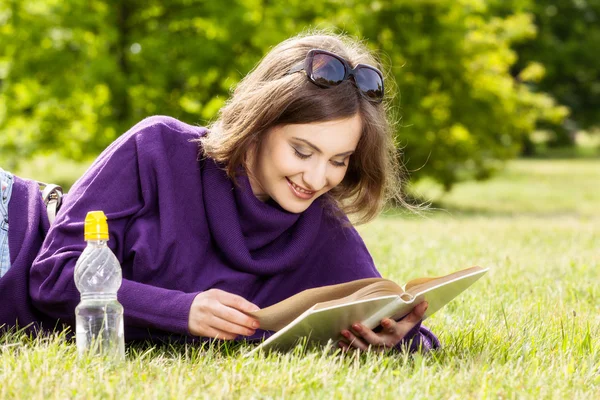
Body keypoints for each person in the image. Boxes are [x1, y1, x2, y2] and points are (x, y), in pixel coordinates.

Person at [1, 32, 439, 352]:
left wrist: (397, 336)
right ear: (259, 123)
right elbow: (51, 277)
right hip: (13, 236)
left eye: (339, 160)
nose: (317, 177)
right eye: (302, 151)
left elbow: (390, 315)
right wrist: (181, 310)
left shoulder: (322, 228)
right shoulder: (158, 147)